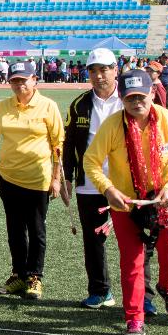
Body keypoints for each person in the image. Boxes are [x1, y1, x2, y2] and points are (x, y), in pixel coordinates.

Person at [82, 69, 168, 335]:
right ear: (122, 98)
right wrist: (109, 190)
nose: (136, 103)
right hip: (125, 204)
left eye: (141, 96)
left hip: (162, 198)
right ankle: (134, 317)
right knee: (132, 261)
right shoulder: (113, 125)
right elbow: (91, 161)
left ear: (152, 94)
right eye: (130, 98)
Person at [0, 60, 64, 300]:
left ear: (34, 81)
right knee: (15, 229)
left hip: (38, 179)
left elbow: (58, 144)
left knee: (36, 230)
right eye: (14, 81)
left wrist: (56, 177)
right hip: (8, 178)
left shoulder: (48, 107)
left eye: (23, 80)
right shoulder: (3, 107)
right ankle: (19, 274)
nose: (19, 85)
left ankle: (34, 277)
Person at [61, 48, 123, 309]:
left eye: (104, 69)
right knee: (93, 240)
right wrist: (65, 178)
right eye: (93, 70)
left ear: (115, 69)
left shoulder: (130, 99)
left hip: (125, 183)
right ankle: (100, 291)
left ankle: (143, 296)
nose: (99, 75)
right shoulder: (79, 104)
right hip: (88, 183)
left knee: (135, 240)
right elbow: (69, 144)